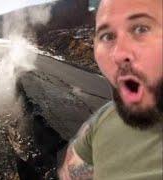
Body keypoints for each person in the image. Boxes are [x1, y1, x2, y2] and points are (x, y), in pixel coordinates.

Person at [59, 0, 162, 179]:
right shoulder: (101, 122)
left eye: (141, 29)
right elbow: (69, 172)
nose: (118, 54)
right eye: (107, 36)